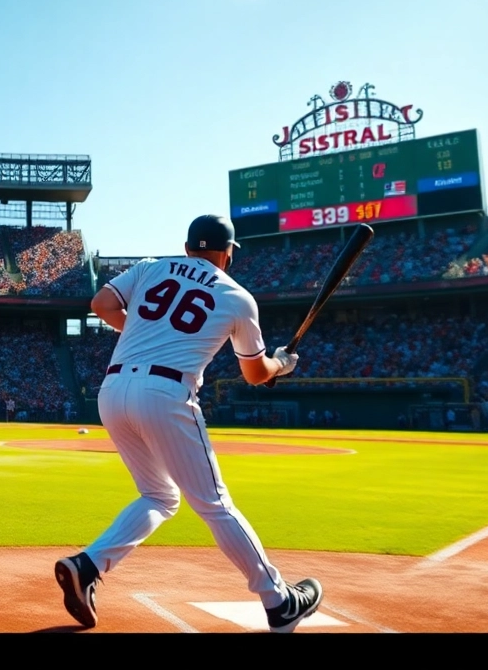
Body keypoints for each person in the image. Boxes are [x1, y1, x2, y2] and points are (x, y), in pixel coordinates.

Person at [53, 214, 323, 634]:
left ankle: (87, 565)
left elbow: (101, 305)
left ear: (187, 247)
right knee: (214, 504)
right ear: (227, 254)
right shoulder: (237, 296)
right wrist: (282, 365)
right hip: (165, 395)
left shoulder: (150, 267)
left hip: (113, 388)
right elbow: (256, 373)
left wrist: (143, 328)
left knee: (160, 496)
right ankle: (279, 600)